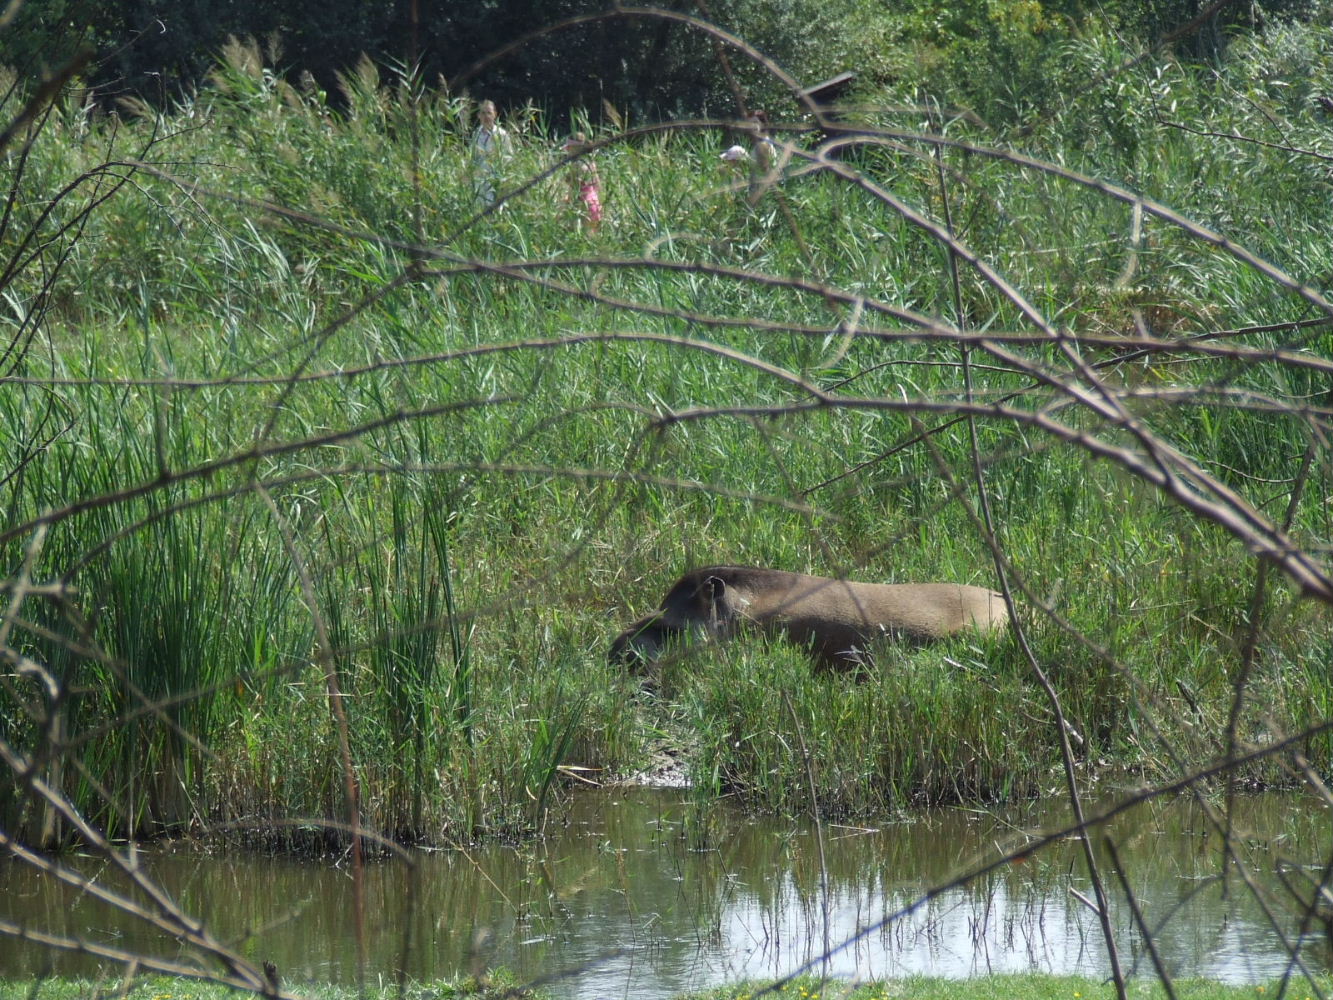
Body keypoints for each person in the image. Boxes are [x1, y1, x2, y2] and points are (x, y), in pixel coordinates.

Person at [471, 99, 512, 208]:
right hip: (479, 181)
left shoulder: (502, 134)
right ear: (478, 115)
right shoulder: (476, 134)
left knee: (495, 210)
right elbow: (472, 157)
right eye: (483, 113)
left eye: (489, 113)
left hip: (495, 179)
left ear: (495, 114)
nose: (486, 116)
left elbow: (509, 157)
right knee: (479, 211)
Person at [562, 132, 602, 232]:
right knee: (592, 235)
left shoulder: (576, 165)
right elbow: (598, 185)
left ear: (575, 148)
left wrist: (567, 201)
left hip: (582, 204)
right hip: (594, 201)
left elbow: (575, 188)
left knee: (579, 235)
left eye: (569, 148)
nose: (568, 152)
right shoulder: (591, 163)